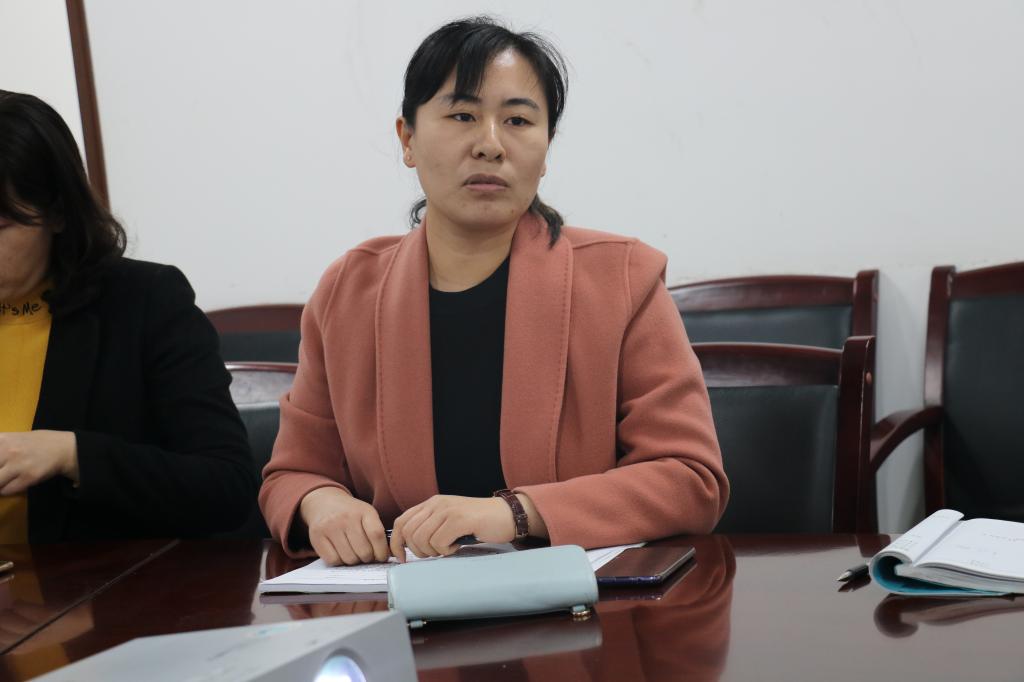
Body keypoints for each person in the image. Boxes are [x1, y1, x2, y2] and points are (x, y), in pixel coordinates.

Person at [260, 17, 728, 565]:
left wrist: (516, 513)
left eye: (518, 120)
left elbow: (688, 477)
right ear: (407, 139)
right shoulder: (347, 292)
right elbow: (294, 472)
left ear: (546, 149)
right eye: (462, 115)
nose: (490, 144)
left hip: (583, 606)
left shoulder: (623, 279)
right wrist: (322, 504)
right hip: (401, 605)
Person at [0, 90, 255, 542]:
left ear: (58, 212)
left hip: (92, 582)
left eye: (1, 227)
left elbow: (227, 486)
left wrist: (72, 454)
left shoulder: (146, 302)